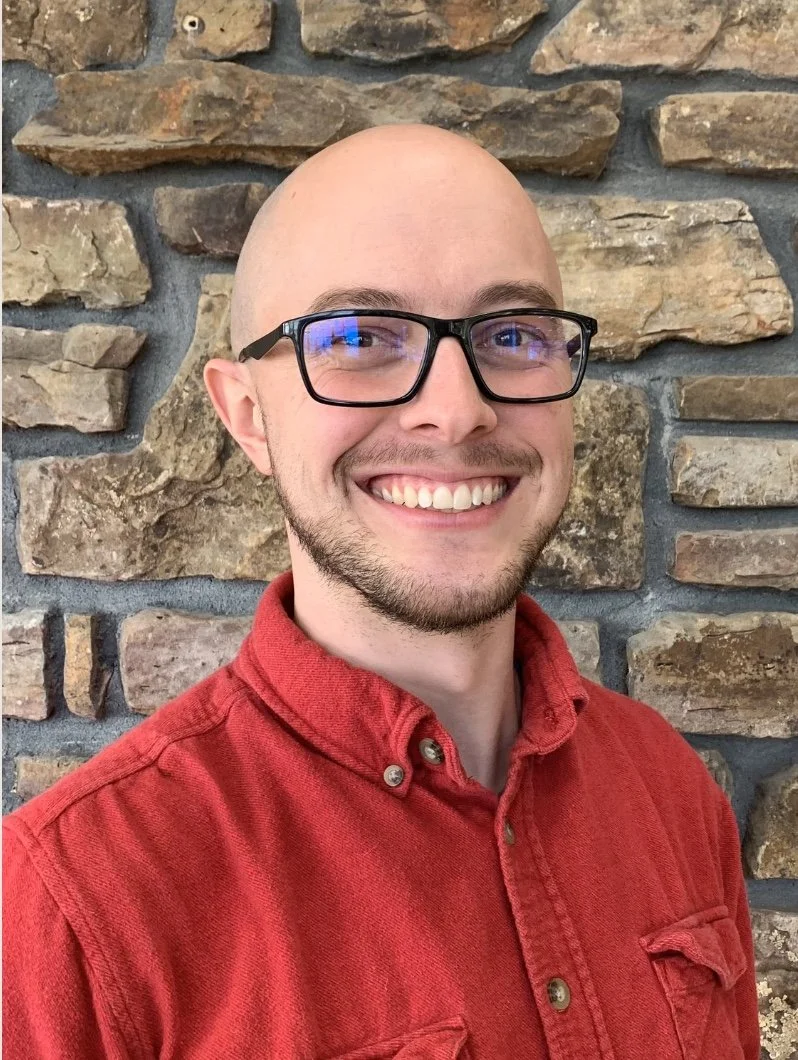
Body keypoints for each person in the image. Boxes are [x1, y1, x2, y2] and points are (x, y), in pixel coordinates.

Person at [3, 123, 759, 1059]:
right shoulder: (80, 900)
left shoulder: (671, 788)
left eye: (512, 334)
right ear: (247, 414)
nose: (456, 409)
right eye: (360, 337)